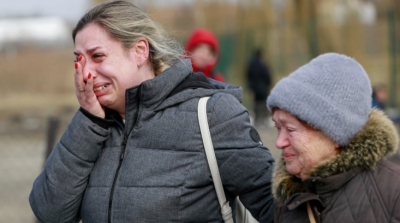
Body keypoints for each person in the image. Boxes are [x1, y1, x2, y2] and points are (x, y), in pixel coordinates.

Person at [29, 1, 276, 223]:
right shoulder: (93, 125)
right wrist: (90, 120)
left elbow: (278, 207)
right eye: (80, 60)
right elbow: (50, 213)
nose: (85, 74)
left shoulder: (212, 114)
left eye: (98, 56)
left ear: (139, 52)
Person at [266, 53, 400, 222]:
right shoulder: (288, 199)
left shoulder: (392, 194)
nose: (279, 142)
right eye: (278, 128)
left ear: (336, 134)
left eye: (291, 130)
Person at [246, 48, 272, 128]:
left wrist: (251, 85)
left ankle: (257, 120)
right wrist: (268, 85)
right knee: (263, 103)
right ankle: (264, 120)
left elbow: (248, 76)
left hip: (255, 88)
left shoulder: (251, 65)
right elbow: (268, 76)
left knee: (256, 103)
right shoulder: (263, 65)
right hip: (263, 88)